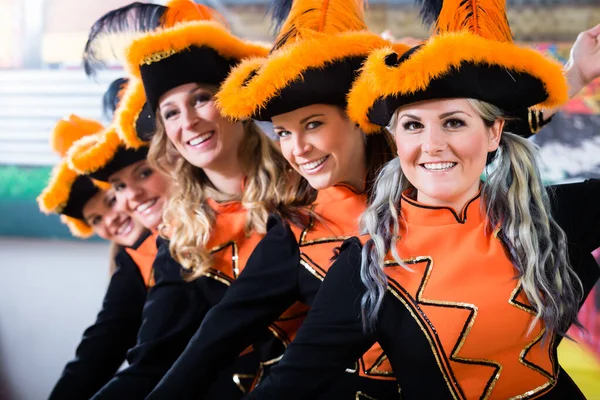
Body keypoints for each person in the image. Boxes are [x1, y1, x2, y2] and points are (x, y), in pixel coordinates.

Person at [242, 0, 600, 398]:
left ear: (494, 133)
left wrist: (578, 71)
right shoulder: (367, 265)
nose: (432, 145)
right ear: (397, 140)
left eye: (453, 122)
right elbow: (289, 383)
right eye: (413, 125)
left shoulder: (550, 216)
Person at [147, 0, 405, 398]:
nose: (297, 148)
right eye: (283, 132)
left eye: (313, 124)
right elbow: (220, 336)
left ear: (357, 116)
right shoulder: (298, 227)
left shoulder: (433, 198)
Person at [85, 4, 306, 399]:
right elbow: (153, 359)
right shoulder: (181, 233)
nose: (187, 122)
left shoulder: (307, 188)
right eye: (170, 113)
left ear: (233, 103)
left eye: (201, 99)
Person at [38, 114, 149, 400]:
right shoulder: (130, 264)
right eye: (96, 219)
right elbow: (101, 345)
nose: (110, 221)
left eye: (112, 201)